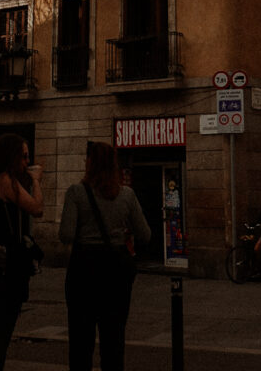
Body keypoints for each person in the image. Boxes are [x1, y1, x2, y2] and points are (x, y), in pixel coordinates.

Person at [59, 142, 151, 371]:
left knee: (81, 341)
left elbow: (66, 235)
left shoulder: (76, 192)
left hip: (84, 269)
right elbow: (145, 235)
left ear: (90, 163)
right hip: (115, 272)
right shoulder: (127, 195)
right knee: (114, 339)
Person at [0, 134, 43, 371]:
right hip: (8, 268)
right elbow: (37, 208)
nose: (27, 161)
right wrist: (36, 181)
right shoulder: (6, 181)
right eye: (23, 156)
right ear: (11, 156)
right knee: (2, 330)